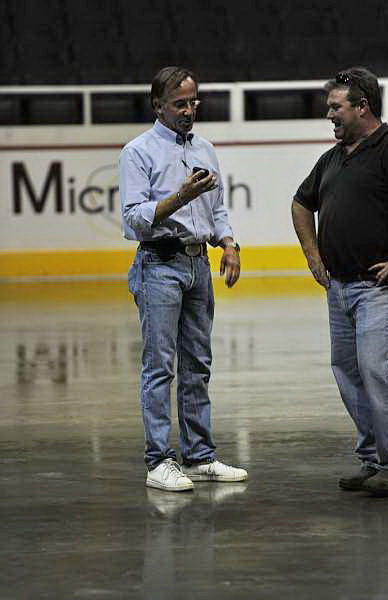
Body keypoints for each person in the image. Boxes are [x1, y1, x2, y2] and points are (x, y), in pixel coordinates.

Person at [119, 66, 248, 492]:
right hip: (159, 264)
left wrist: (228, 243)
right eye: (180, 104)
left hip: (198, 266)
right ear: (157, 106)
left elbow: (218, 207)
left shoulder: (206, 149)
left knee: (198, 364)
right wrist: (180, 197)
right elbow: (135, 220)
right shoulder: (138, 152)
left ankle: (198, 456)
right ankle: (158, 461)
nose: (190, 110)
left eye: (194, 102)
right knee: (159, 367)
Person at [292, 67, 388, 497]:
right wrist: (314, 257)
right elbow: (301, 205)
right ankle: (373, 459)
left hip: (378, 291)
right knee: (350, 375)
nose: (329, 115)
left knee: (379, 373)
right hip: (340, 290)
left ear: (362, 107)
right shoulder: (334, 158)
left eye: (336, 107)